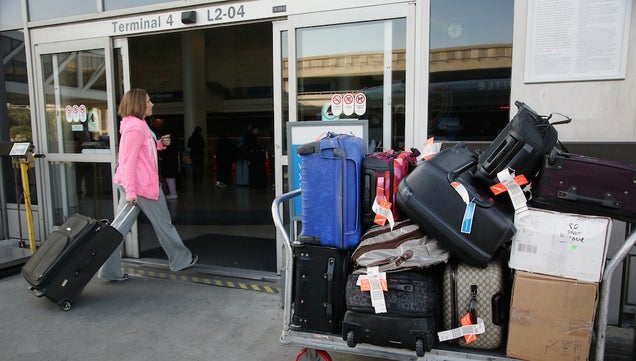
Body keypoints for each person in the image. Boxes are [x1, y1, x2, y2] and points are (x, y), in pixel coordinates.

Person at [98, 89, 197, 281]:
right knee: (164, 225)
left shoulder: (138, 124)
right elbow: (128, 161)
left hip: (135, 186)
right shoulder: (135, 127)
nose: (152, 104)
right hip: (141, 188)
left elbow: (143, 152)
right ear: (139, 104)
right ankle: (181, 260)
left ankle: (108, 270)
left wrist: (159, 143)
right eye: (149, 101)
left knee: (117, 230)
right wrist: (132, 192)